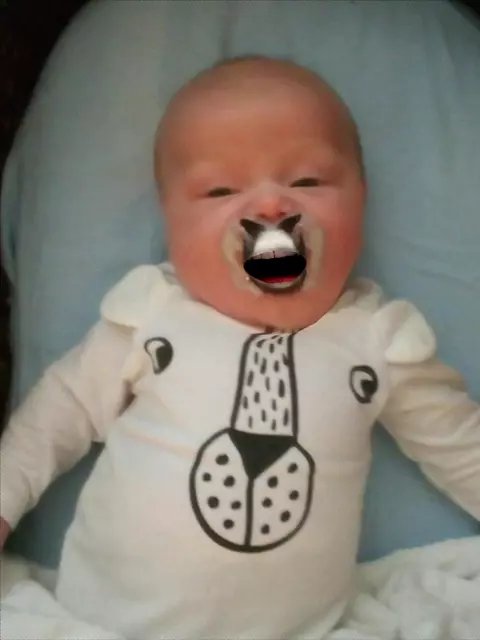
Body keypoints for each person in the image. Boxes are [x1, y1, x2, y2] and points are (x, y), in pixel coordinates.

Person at [1, 56, 479, 640]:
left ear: (361, 199)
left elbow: (462, 448)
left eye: (307, 182)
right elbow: (54, 419)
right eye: (220, 190)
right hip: (105, 625)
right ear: (170, 221)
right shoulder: (152, 317)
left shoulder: (379, 343)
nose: (271, 208)